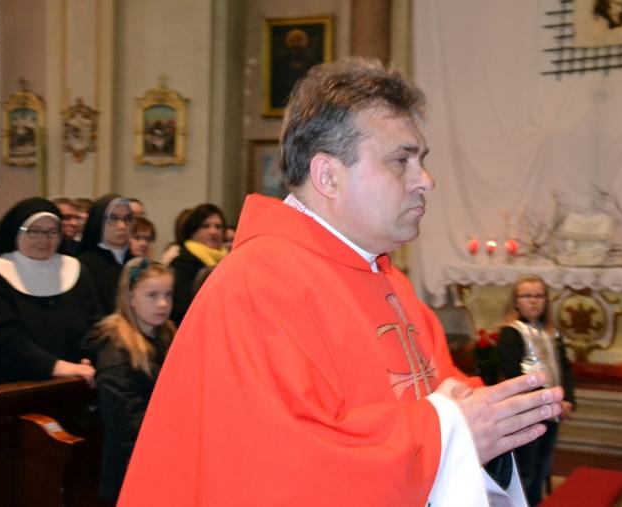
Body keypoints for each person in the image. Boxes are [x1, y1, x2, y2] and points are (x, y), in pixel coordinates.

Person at [118, 58, 563, 506]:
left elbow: (438, 394)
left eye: (422, 160)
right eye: (402, 160)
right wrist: (451, 433)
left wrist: (491, 417)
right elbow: (286, 469)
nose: (425, 180)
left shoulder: (388, 280)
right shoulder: (256, 288)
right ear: (328, 176)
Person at [85, 257, 175, 504]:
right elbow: (126, 424)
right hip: (133, 468)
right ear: (130, 296)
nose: (163, 303)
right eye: (152, 295)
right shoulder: (116, 350)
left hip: (165, 455)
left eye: (168, 294)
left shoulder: (169, 335)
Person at [0, 197, 101, 386]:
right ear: (15, 231)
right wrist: (56, 367)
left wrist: (89, 357)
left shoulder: (76, 269)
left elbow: (96, 324)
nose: (44, 239)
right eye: (34, 231)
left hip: (79, 376)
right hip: (16, 384)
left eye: (52, 232)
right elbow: (5, 337)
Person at [497, 275, 576, 506]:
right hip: (527, 411)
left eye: (539, 296)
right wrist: (551, 400)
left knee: (543, 466)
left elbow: (563, 367)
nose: (533, 301)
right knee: (526, 469)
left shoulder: (551, 332)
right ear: (516, 301)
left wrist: (568, 398)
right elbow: (513, 372)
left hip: (552, 409)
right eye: (527, 296)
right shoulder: (511, 332)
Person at [169, 203, 227, 325]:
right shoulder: (182, 263)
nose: (213, 232)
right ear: (193, 232)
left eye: (218, 227)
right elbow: (180, 309)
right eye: (205, 226)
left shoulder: (228, 262)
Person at [77, 194, 133, 314]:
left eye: (127, 219)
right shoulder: (84, 264)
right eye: (113, 218)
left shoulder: (138, 264)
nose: (122, 226)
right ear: (98, 221)